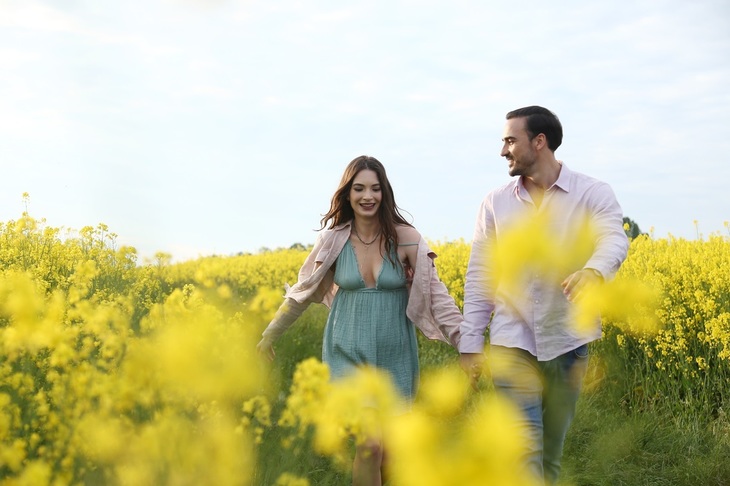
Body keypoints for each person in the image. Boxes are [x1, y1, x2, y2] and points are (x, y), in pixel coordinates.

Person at [257, 155, 462, 486]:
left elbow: (435, 293)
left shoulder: (406, 237)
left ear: (385, 193)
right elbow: (303, 292)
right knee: (370, 446)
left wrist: (465, 341)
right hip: (347, 352)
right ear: (347, 194)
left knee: (392, 452)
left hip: (395, 355)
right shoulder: (335, 239)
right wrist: (270, 334)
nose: (368, 196)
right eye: (359, 188)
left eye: (375, 189)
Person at [459, 106, 629, 485]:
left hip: (568, 343)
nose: (503, 151)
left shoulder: (592, 193)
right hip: (511, 342)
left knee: (550, 456)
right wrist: (470, 341)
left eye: (510, 140)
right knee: (524, 451)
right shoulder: (495, 202)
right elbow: (481, 275)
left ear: (539, 142)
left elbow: (613, 238)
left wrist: (594, 270)